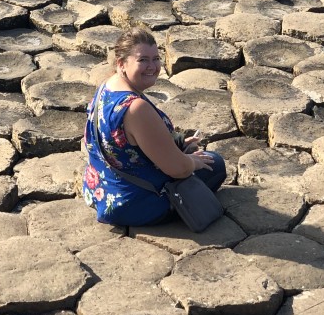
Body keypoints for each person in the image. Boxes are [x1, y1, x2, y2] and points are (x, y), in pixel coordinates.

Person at [82, 26, 226, 226]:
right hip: (132, 202)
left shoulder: (107, 86)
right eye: (143, 60)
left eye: (156, 59)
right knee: (215, 163)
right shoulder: (135, 108)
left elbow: (123, 142)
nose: (152, 66)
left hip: (100, 188)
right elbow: (178, 169)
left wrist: (177, 142)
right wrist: (191, 161)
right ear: (121, 63)